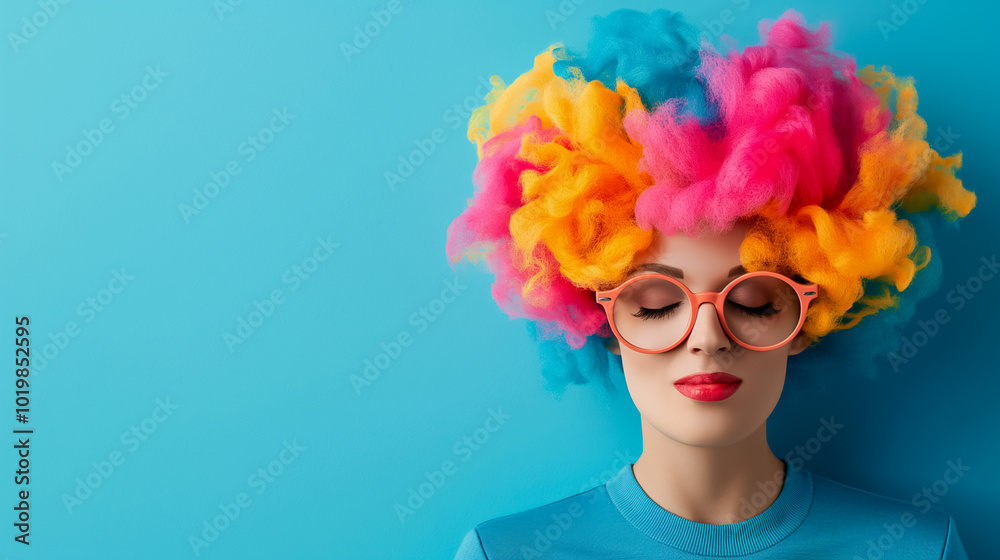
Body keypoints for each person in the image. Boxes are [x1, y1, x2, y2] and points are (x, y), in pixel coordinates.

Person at [445, 8, 976, 559]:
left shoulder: (916, 550)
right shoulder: (504, 553)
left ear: (806, 320)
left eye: (754, 302)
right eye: (655, 305)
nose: (707, 337)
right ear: (602, 321)